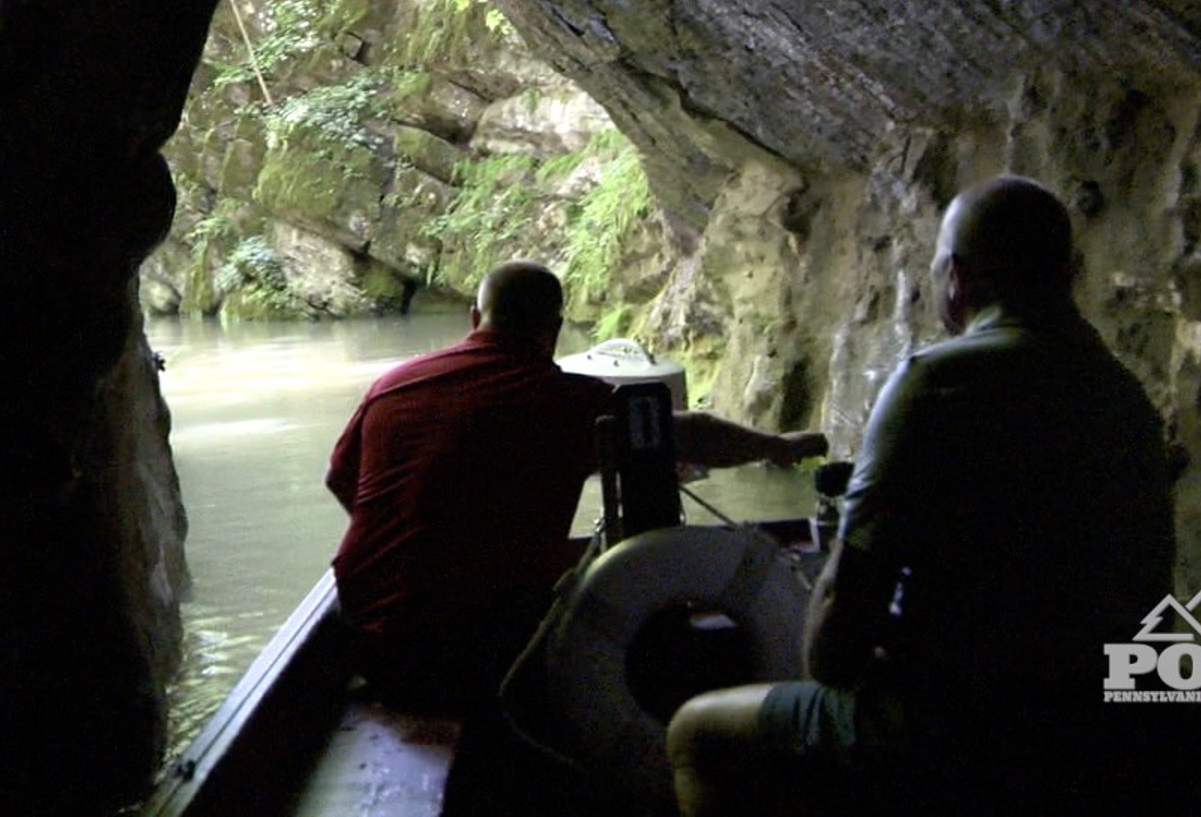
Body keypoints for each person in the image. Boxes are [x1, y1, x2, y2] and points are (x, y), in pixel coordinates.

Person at [666, 175, 1181, 815]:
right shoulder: (1124, 396)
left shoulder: (936, 381)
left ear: (958, 278)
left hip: (958, 730)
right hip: (1094, 727)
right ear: (1069, 273)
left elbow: (836, 639)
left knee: (695, 732)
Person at [326, 259, 828, 715]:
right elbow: (690, 433)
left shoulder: (392, 385)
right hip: (468, 647)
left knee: (576, 568)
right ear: (555, 331)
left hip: (363, 634)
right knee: (651, 633)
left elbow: (343, 483)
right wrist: (777, 445)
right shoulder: (568, 401)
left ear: (474, 320)